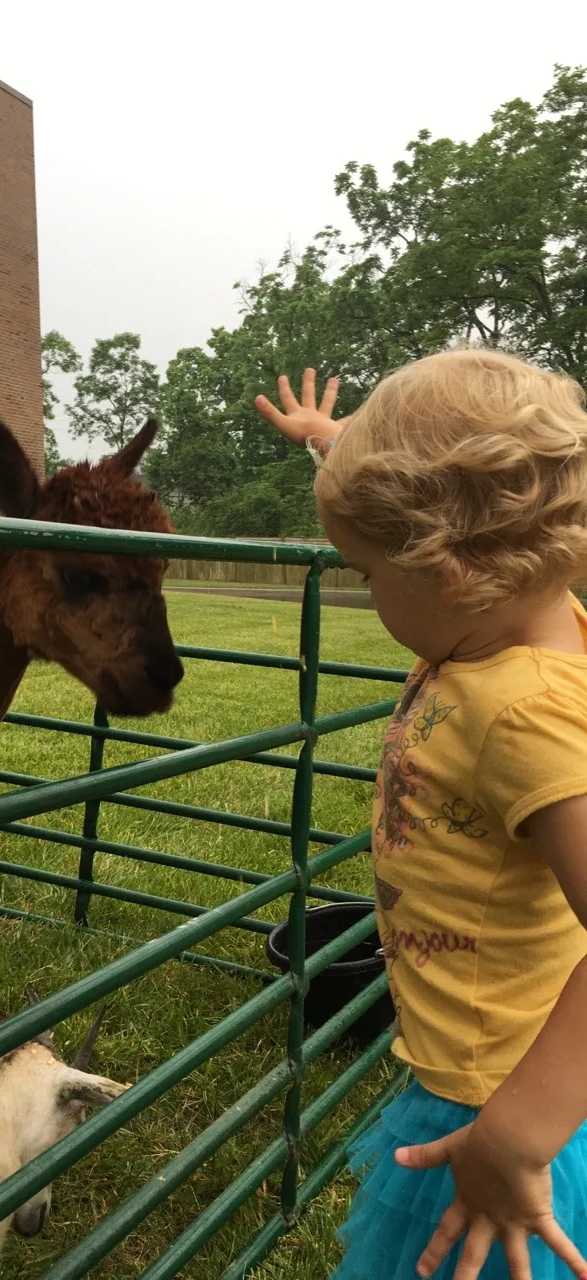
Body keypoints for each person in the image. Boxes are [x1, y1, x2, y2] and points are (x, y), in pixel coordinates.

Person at [255, 352, 587, 1280]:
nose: (367, 591)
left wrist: (516, 1136)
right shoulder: (512, 617)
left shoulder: (523, 712)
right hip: (485, 1078)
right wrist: (330, 442)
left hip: (500, 1110)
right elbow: (447, 502)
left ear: (443, 570)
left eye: (366, 574)